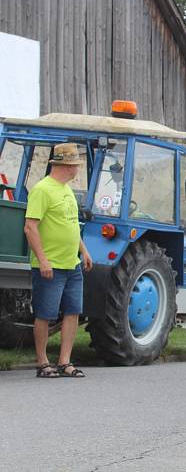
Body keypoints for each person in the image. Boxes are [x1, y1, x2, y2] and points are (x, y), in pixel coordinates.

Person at [24, 143, 92, 378]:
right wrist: (42, 260)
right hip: (50, 265)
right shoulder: (43, 190)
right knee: (45, 313)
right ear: (66, 166)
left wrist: (83, 250)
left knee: (73, 311)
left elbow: (71, 224)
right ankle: (43, 362)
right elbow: (30, 227)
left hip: (71, 264)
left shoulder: (67, 191)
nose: (77, 170)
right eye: (75, 165)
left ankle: (65, 361)